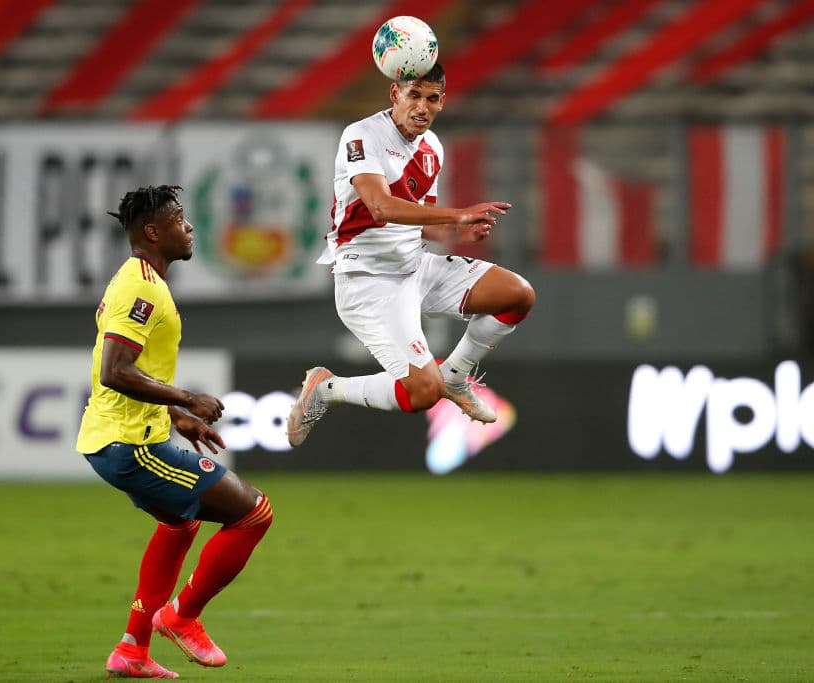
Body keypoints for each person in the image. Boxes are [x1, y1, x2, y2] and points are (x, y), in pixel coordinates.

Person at [76, 185, 273, 679]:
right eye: (181, 220)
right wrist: (187, 398)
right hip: (129, 445)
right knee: (253, 513)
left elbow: (129, 370)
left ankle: (132, 650)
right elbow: (115, 370)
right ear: (152, 232)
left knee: (179, 524)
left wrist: (174, 418)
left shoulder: (142, 280)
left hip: (122, 435)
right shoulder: (140, 287)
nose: (190, 228)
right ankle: (181, 617)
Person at [287, 63, 535, 447]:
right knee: (422, 393)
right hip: (368, 280)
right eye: (413, 95)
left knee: (517, 294)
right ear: (395, 95)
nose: (422, 107)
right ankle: (326, 388)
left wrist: (455, 231)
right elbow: (382, 207)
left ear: (442, 102)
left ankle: (456, 375)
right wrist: (456, 214)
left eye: (432, 99)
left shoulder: (433, 148)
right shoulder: (362, 135)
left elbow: (416, 220)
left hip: (414, 266)